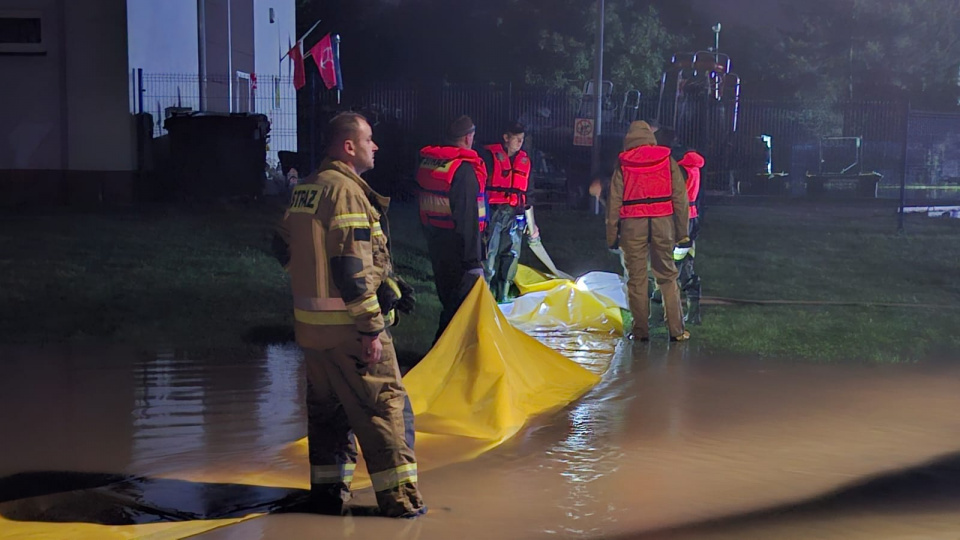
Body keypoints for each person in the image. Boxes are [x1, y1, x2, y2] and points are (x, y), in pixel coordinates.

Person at [272, 112, 425, 518]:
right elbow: (350, 270)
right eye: (369, 139)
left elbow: (284, 245)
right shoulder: (347, 193)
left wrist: (379, 283)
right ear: (348, 146)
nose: (375, 146)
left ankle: (327, 498)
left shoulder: (307, 188)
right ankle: (401, 503)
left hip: (312, 334)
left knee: (328, 415)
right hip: (349, 332)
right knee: (385, 409)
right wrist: (371, 327)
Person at [606, 121, 691, 342]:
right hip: (663, 224)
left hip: (632, 226)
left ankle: (640, 331)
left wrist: (611, 235)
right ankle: (677, 330)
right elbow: (681, 199)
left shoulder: (623, 164)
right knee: (668, 276)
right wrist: (682, 232)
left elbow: (613, 203)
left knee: (636, 279)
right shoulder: (667, 160)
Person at [416, 115, 487, 342]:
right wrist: (473, 263)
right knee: (460, 311)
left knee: (450, 302)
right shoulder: (463, 170)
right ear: (468, 138)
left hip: (437, 243)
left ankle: (445, 358)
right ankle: (442, 359)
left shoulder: (430, 163)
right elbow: (467, 219)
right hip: (460, 250)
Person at [479, 122, 532, 302]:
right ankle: (484, 293)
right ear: (506, 138)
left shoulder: (525, 160)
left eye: (522, 139)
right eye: (517, 139)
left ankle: (503, 293)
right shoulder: (488, 157)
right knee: (489, 251)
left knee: (512, 252)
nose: (520, 142)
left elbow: (528, 193)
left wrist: (530, 220)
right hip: (494, 210)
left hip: (515, 212)